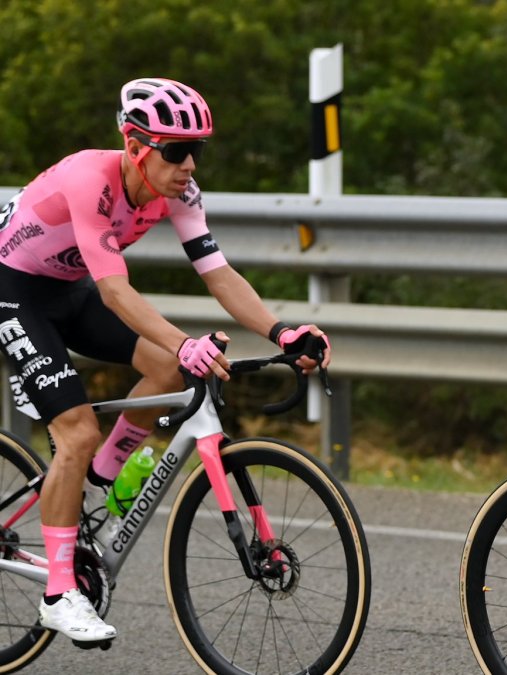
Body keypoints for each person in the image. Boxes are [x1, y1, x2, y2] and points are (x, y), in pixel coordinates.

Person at [0, 77, 331, 643]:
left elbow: (219, 274)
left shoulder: (180, 193)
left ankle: (97, 482)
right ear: (135, 147)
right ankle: (59, 593)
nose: (189, 165)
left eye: (197, 150)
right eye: (176, 151)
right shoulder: (90, 180)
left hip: (68, 287)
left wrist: (281, 330)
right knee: (76, 433)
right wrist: (184, 340)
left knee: (168, 372)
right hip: (15, 289)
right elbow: (116, 294)